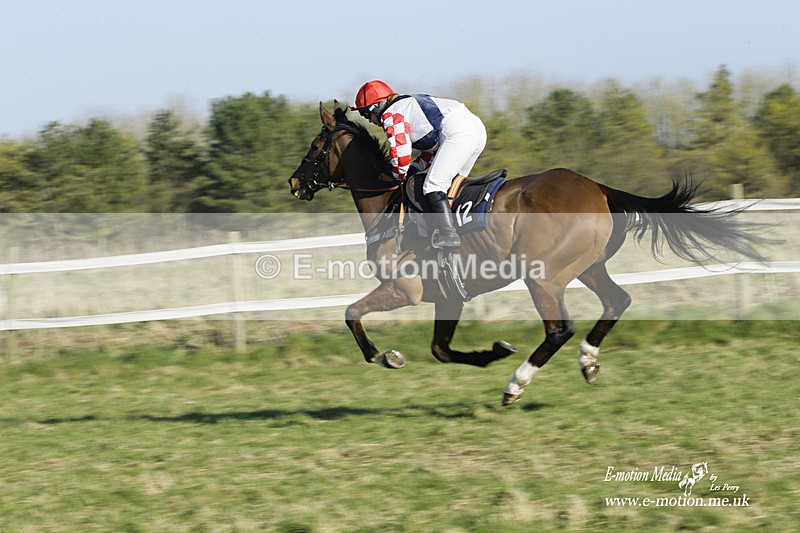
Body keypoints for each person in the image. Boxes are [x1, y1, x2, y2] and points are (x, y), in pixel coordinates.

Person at [351, 80, 487, 249]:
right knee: (454, 187)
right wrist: (414, 169)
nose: (369, 120)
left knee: (433, 186)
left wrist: (397, 176)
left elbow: (401, 154)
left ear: (376, 107)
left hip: (459, 132)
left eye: (365, 113)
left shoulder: (391, 113)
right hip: (474, 129)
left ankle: (449, 235)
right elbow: (432, 149)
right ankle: (464, 231)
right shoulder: (405, 105)